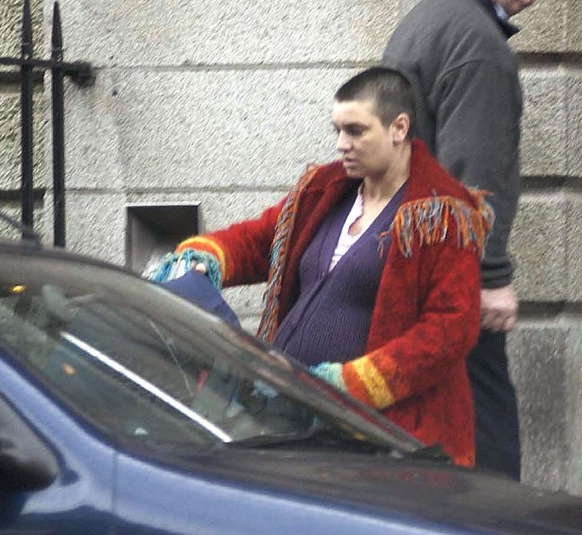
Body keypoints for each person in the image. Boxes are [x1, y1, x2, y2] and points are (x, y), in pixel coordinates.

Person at [148, 66, 493, 465]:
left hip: (384, 438)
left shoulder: (441, 212)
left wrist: (347, 385)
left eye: (356, 131)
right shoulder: (325, 189)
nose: (342, 144)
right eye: (337, 131)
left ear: (399, 128)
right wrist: (204, 258)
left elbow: (450, 329)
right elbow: (260, 240)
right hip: (288, 421)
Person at [381, 0, 552, 480]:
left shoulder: (431, 17)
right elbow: (475, 172)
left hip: (407, 258)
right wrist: (491, 278)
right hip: (451, 274)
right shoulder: (480, 44)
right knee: (488, 438)